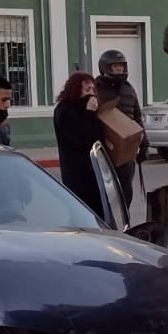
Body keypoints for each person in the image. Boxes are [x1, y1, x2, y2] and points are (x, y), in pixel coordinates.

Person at [94, 49, 148, 207]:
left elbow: (137, 118)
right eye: (115, 66)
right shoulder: (96, 88)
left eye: (121, 66)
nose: (119, 69)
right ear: (105, 67)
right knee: (105, 192)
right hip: (105, 149)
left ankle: (124, 223)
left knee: (125, 190)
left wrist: (144, 145)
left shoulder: (129, 89)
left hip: (127, 150)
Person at [53, 72, 105, 215]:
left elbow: (97, 138)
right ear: (76, 90)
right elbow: (81, 139)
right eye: (87, 90)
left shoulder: (88, 109)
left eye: (93, 90)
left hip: (94, 172)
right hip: (77, 175)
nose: (91, 94)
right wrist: (89, 113)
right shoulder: (65, 111)